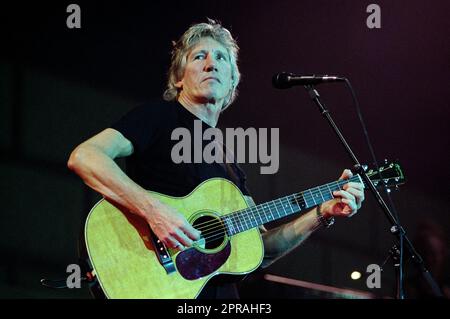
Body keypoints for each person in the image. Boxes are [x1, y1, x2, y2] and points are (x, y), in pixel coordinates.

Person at [67, 19, 365, 299]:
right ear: (178, 78)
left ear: (232, 81)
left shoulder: (229, 164)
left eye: (221, 58)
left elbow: (260, 249)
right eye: (199, 57)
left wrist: (323, 214)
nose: (211, 64)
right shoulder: (157, 118)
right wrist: (154, 211)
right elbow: (85, 156)